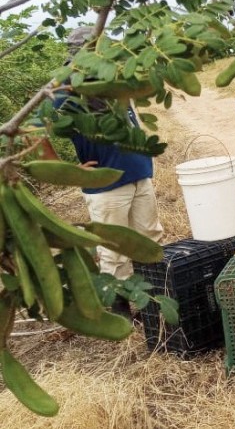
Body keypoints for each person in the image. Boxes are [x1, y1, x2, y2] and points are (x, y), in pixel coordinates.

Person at [45, 27, 165, 316]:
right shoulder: (65, 92)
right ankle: (120, 309)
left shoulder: (115, 80)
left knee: (150, 238)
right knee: (114, 250)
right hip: (106, 186)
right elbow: (35, 133)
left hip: (139, 172)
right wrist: (66, 170)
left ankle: (156, 299)